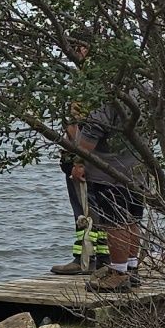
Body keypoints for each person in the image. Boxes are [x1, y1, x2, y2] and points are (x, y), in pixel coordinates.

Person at [70, 100, 146, 283]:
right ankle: (130, 267)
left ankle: (118, 274)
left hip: (109, 172)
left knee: (115, 223)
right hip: (137, 169)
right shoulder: (144, 88)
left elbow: (87, 141)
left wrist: (78, 162)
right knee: (132, 220)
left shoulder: (102, 99)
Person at [54, 105, 110, 275]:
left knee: (93, 212)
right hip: (86, 160)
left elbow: (78, 131)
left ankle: (96, 259)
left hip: (90, 162)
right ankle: (89, 257)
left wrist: (79, 162)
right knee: (85, 212)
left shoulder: (90, 103)